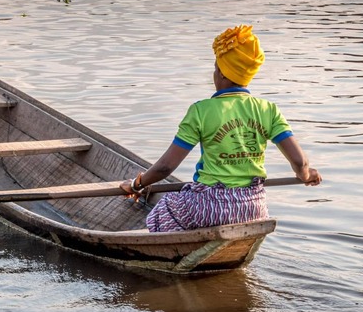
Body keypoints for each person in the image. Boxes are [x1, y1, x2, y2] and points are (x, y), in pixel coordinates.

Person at [121, 25, 322, 232]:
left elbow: (165, 168)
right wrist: (305, 175)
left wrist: (137, 184)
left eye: (216, 68)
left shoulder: (201, 110)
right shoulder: (268, 110)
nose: (214, 73)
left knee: (164, 208)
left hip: (211, 206)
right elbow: (300, 161)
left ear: (223, 74)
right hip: (254, 208)